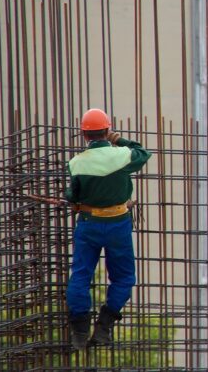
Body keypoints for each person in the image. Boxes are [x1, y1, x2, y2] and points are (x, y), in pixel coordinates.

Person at [65, 108, 152, 349]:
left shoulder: (76, 163)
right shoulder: (122, 156)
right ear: (107, 130)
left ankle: (80, 332)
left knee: (81, 275)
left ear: (84, 134)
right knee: (124, 277)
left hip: (89, 223)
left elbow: (73, 195)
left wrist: (74, 199)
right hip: (118, 223)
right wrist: (118, 139)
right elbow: (143, 152)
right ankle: (104, 326)